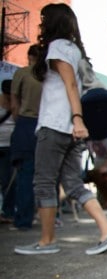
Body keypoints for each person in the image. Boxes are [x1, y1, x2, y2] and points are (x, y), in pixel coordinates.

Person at [15, 3, 107, 255]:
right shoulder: (74, 49)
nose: (40, 24)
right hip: (72, 129)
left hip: (56, 125)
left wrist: (76, 118)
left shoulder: (57, 47)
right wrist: (77, 121)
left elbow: (70, 88)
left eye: (43, 20)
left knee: (43, 182)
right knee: (73, 183)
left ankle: (47, 241)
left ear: (51, 23)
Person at [9, 44, 42, 230]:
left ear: (29, 57)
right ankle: (51, 217)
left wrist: (19, 119)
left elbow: (14, 105)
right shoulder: (48, 75)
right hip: (46, 124)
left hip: (26, 123)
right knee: (47, 175)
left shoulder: (22, 74)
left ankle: (23, 219)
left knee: (25, 175)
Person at [0, 80, 16, 225]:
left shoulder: (16, 104)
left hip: (10, 145)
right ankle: (7, 211)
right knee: (6, 180)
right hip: (5, 144)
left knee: (8, 181)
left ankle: (8, 211)